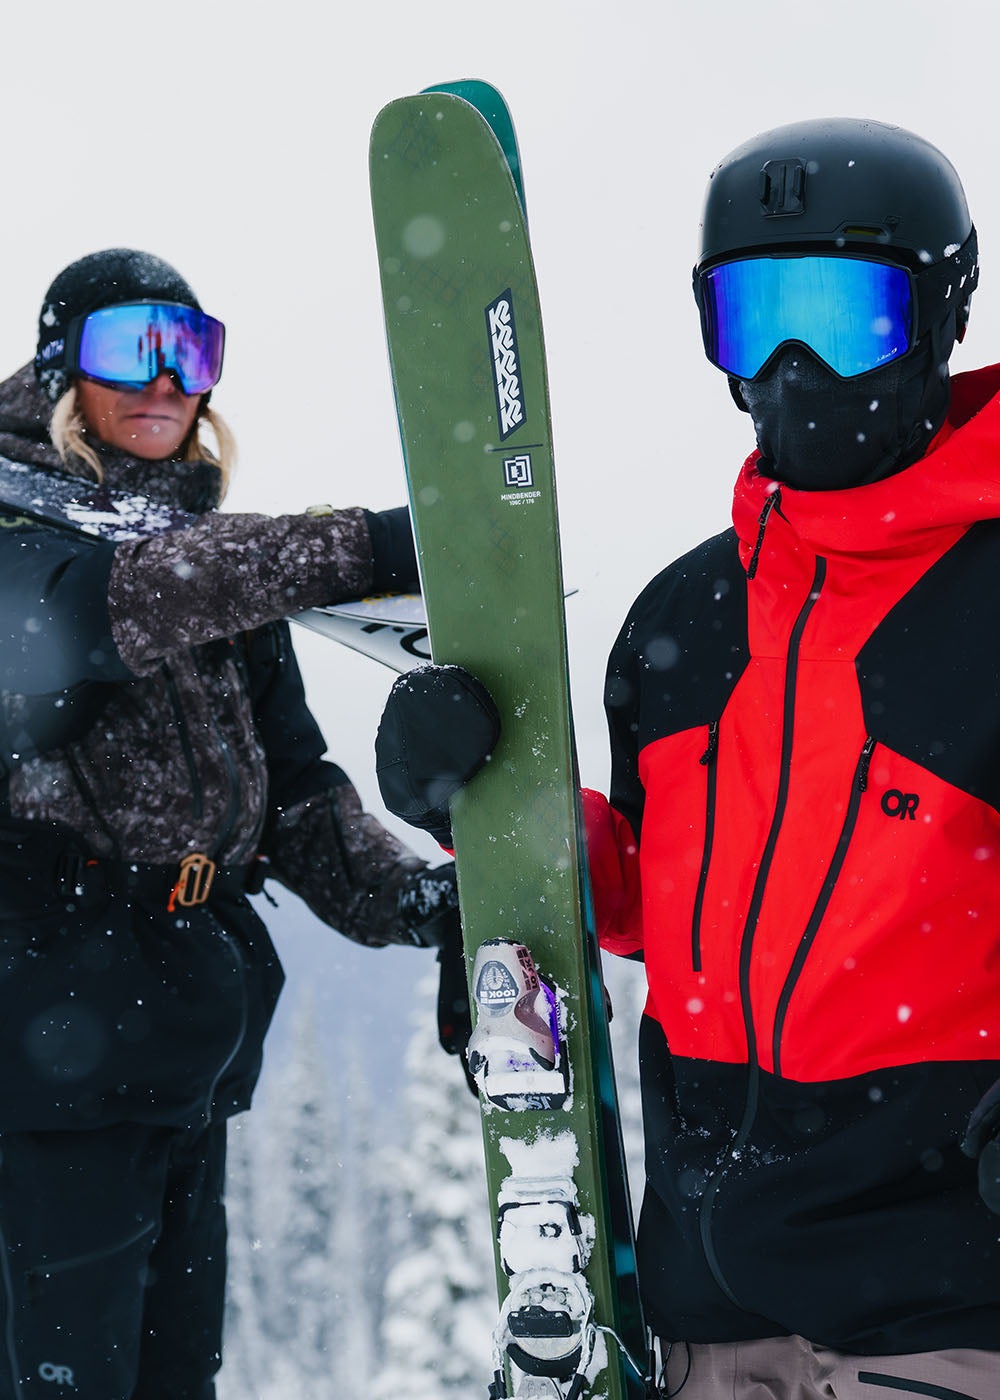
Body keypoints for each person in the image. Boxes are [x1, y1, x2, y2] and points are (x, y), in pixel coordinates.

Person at [373, 120, 1000, 1398]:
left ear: (940, 313)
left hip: (940, 1311)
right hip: (710, 1319)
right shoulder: (686, 620)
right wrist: (483, 807)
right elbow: (660, 905)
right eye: (754, 316)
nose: (793, 365)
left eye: (845, 315)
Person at [0, 247, 466, 1400]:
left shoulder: (212, 569)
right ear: (60, 372)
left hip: (177, 1045)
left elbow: (293, 796)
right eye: (130, 349)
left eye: (192, 351)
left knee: (174, 1381)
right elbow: (109, 608)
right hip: (40, 1065)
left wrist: (421, 902)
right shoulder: (19, 535)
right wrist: (366, 544)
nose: (167, 380)